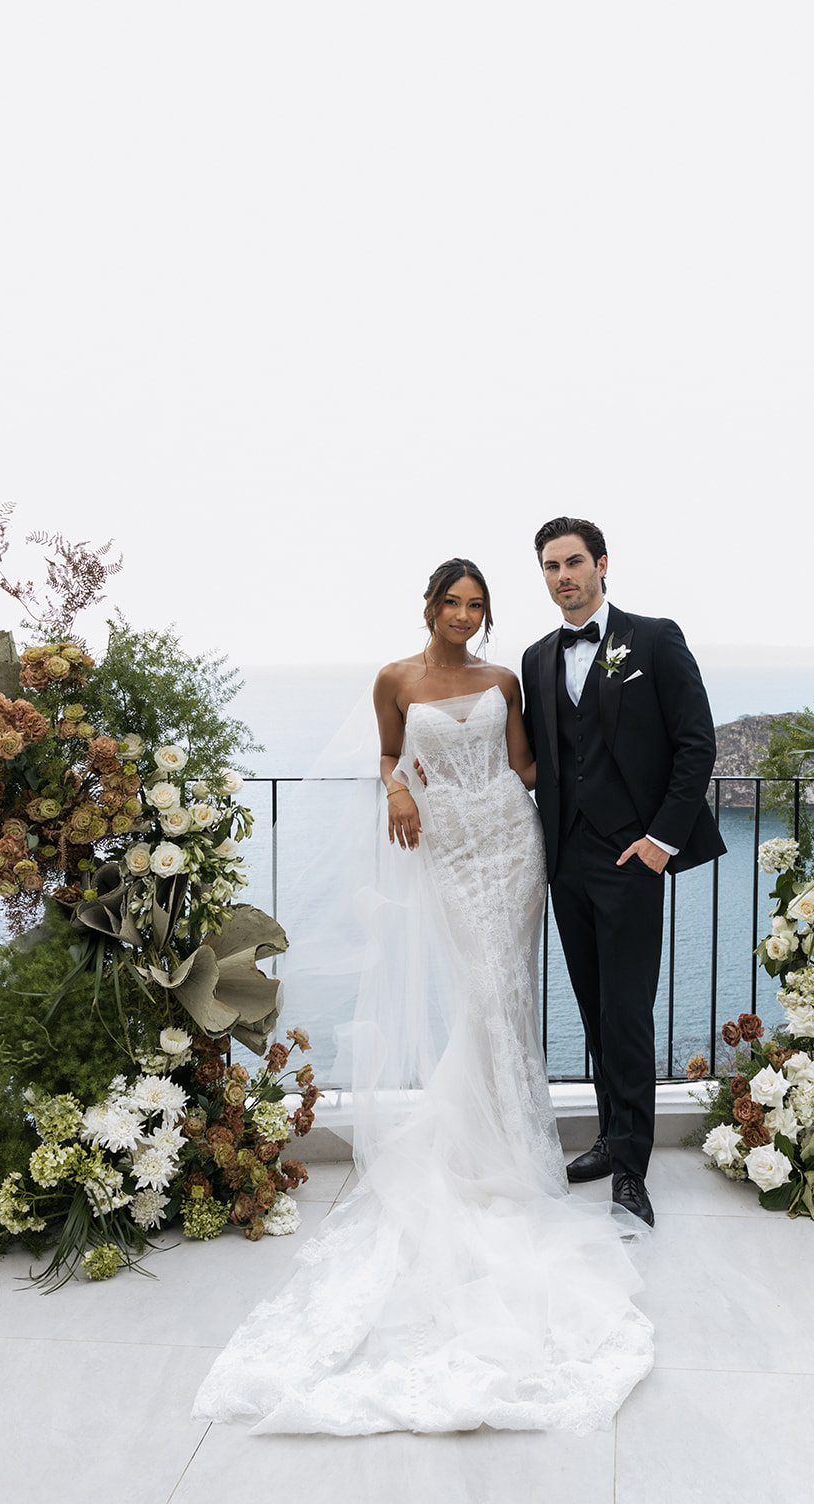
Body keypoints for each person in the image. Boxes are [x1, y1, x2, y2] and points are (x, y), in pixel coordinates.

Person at [192, 557, 653, 1436]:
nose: (465, 616)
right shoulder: (394, 679)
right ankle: (499, 1143)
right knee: (485, 990)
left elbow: (527, 765)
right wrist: (398, 787)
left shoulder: (504, 678)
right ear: (431, 606)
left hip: (512, 841)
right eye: (453, 602)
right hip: (445, 844)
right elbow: (385, 751)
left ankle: (510, 1144)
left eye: (477, 605)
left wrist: (605, 801)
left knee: (507, 992)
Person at [522, 517, 725, 1229]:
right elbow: (540, 757)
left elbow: (695, 744)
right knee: (593, 1008)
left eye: (573, 562)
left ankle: (632, 1169)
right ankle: (612, 1137)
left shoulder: (655, 639)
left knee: (627, 1013)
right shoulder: (536, 658)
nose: (563, 576)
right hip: (566, 860)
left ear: (602, 564)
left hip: (632, 858)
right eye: (551, 566)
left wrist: (660, 840)